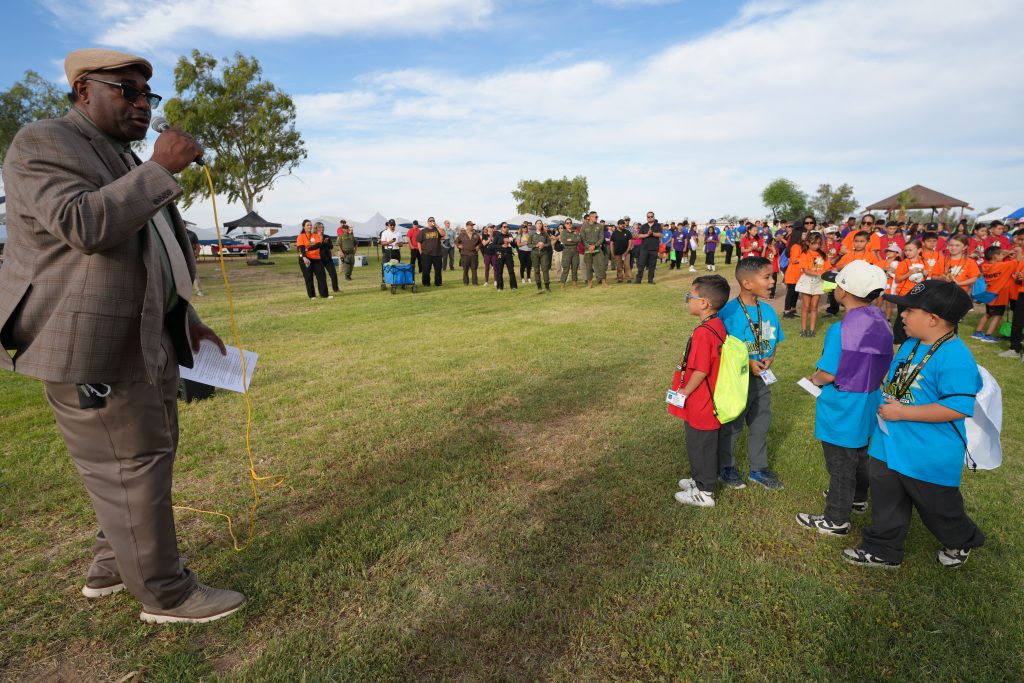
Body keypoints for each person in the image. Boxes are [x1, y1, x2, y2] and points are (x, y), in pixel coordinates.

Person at [0, 47, 244, 623]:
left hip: (149, 332)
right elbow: (84, 224)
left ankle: (112, 565)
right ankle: (166, 594)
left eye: (147, 95)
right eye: (126, 90)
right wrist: (159, 169)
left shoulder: (120, 156)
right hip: (91, 342)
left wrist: (186, 317)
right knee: (130, 462)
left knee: (139, 458)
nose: (142, 103)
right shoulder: (43, 141)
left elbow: (150, 249)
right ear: (84, 90)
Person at [843, 280, 984, 569]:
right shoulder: (909, 345)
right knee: (886, 499)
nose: (902, 315)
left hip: (927, 453)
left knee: (939, 508)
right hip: (888, 442)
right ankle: (883, 549)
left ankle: (961, 540)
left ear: (933, 319)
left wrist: (903, 413)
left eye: (909, 311)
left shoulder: (955, 357)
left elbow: (957, 407)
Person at [797, 261, 893, 536]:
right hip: (870, 398)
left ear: (843, 291)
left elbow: (827, 373)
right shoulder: (882, 322)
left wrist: (812, 380)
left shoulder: (840, 329)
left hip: (843, 404)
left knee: (840, 464)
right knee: (861, 452)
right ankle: (859, 498)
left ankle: (836, 519)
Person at [717, 257, 786, 491]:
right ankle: (725, 466)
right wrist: (747, 361)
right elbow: (721, 349)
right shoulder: (728, 313)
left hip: (762, 381)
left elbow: (775, 341)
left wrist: (770, 357)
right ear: (747, 283)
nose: (772, 281)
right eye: (767, 277)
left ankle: (759, 468)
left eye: (772, 276)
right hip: (737, 381)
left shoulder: (768, 310)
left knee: (760, 423)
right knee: (732, 425)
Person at [673, 275, 732, 508]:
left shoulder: (704, 332)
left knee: (702, 445)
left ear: (704, 302)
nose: (687, 300)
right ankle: (699, 480)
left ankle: (705, 491)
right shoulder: (716, 323)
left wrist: (685, 391)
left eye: (690, 296)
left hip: (702, 400)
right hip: (708, 398)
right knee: (699, 443)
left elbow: (701, 370)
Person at [972, 245, 1019, 343]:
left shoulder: (985, 266)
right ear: (996, 257)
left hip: (988, 295)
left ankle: (977, 332)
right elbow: (1017, 261)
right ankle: (988, 335)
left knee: (988, 314)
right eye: (1002, 254)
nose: (1004, 255)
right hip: (999, 296)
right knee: (997, 316)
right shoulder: (1003, 266)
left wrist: (1004, 254)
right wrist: (1015, 253)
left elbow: (998, 262)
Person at [796, 232, 827, 337]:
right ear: (808, 243)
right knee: (805, 306)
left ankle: (812, 331)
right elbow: (805, 270)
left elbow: (827, 268)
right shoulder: (804, 254)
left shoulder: (822, 255)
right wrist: (819, 273)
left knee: (814, 306)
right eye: (814, 243)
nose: (816, 246)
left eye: (818, 243)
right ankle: (804, 330)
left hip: (818, 282)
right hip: (807, 282)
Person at [782, 217, 812, 317]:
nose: (805, 235)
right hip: (792, 273)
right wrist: (804, 260)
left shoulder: (801, 245)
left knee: (795, 292)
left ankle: (793, 309)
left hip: (797, 273)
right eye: (803, 233)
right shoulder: (795, 246)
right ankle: (786, 311)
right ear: (799, 234)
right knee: (790, 293)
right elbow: (794, 259)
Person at [297, 219, 331, 300]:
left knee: (321, 276)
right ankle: (312, 296)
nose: (310, 226)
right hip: (305, 258)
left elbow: (318, 245)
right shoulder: (301, 236)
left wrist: (308, 249)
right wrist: (304, 257)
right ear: (303, 227)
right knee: (308, 277)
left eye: (310, 225)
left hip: (316, 258)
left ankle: (324, 295)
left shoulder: (315, 236)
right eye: (308, 225)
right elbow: (301, 247)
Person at [581, 211, 609, 288]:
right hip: (588, 249)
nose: (596, 218)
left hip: (597, 248)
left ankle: (604, 282)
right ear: (590, 217)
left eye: (597, 217)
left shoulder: (600, 226)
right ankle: (590, 283)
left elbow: (601, 238)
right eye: (594, 217)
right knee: (588, 266)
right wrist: (588, 246)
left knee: (601, 265)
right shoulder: (584, 226)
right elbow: (582, 239)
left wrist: (595, 246)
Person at [634, 211, 661, 283]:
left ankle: (650, 280)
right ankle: (638, 280)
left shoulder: (658, 225)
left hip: (654, 249)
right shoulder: (644, 226)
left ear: (654, 217)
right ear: (647, 217)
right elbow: (639, 236)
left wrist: (653, 233)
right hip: (644, 248)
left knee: (652, 265)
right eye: (648, 217)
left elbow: (660, 235)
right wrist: (648, 234)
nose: (650, 218)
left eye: (651, 216)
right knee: (641, 264)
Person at [314, 222, 341, 293]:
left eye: (322, 227)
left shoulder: (327, 236)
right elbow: (315, 247)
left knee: (333, 274)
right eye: (319, 227)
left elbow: (331, 247)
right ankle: (324, 291)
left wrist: (326, 243)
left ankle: (336, 289)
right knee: (322, 276)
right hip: (318, 259)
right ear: (316, 228)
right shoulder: (313, 237)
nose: (321, 229)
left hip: (327, 258)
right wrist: (322, 242)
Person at [418, 216, 444, 287]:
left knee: (438, 270)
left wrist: (437, 226)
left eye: (433, 220)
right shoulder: (423, 231)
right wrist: (420, 251)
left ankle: (438, 283)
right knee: (426, 270)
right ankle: (426, 283)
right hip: (426, 254)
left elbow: (443, 234)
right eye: (430, 221)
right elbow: (419, 242)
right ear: (428, 222)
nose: (432, 222)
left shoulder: (437, 230)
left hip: (437, 254)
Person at [529, 219, 553, 292]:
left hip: (544, 253)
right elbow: (529, 244)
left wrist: (543, 245)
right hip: (535, 253)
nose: (539, 225)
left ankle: (547, 286)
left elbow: (549, 243)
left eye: (540, 223)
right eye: (538, 223)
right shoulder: (532, 234)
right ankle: (539, 287)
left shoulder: (545, 233)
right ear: (535, 225)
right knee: (536, 270)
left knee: (545, 269)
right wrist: (535, 245)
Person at [455, 221, 482, 285]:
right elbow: (456, 241)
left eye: (472, 225)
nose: (472, 226)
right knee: (465, 270)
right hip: (465, 254)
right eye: (471, 225)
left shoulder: (476, 234)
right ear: (467, 226)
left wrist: (478, 246)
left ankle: (475, 283)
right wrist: (458, 246)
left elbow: (480, 243)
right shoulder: (462, 234)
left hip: (474, 254)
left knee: (474, 269)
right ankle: (466, 283)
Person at [493, 222, 518, 291]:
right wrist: (501, 246)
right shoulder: (498, 235)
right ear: (501, 228)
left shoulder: (510, 235)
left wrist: (513, 242)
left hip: (508, 254)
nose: (506, 228)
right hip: (500, 255)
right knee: (499, 271)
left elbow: (514, 246)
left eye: (507, 227)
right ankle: (500, 287)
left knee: (511, 271)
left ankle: (513, 287)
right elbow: (492, 246)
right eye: (504, 227)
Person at [559, 219, 581, 288]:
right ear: (565, 225)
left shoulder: (575, 232)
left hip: (575, 251)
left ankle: (574, 283)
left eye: (570, 223)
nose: (569, 224)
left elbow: (579, 240)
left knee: (575, 268)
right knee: (566, 268)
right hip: (567, 251)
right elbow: (564, 241)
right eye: (567, 223)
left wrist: (571, 239)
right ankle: (563, 283)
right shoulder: (563, 232)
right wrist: (574, 240)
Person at [186, 228, 204, 297]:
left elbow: (198, 247)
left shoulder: (192, 234)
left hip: (190, 257)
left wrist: (195, 256)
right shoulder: (174, 232)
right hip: (179, 256)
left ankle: (199, 291)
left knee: (194, 274)